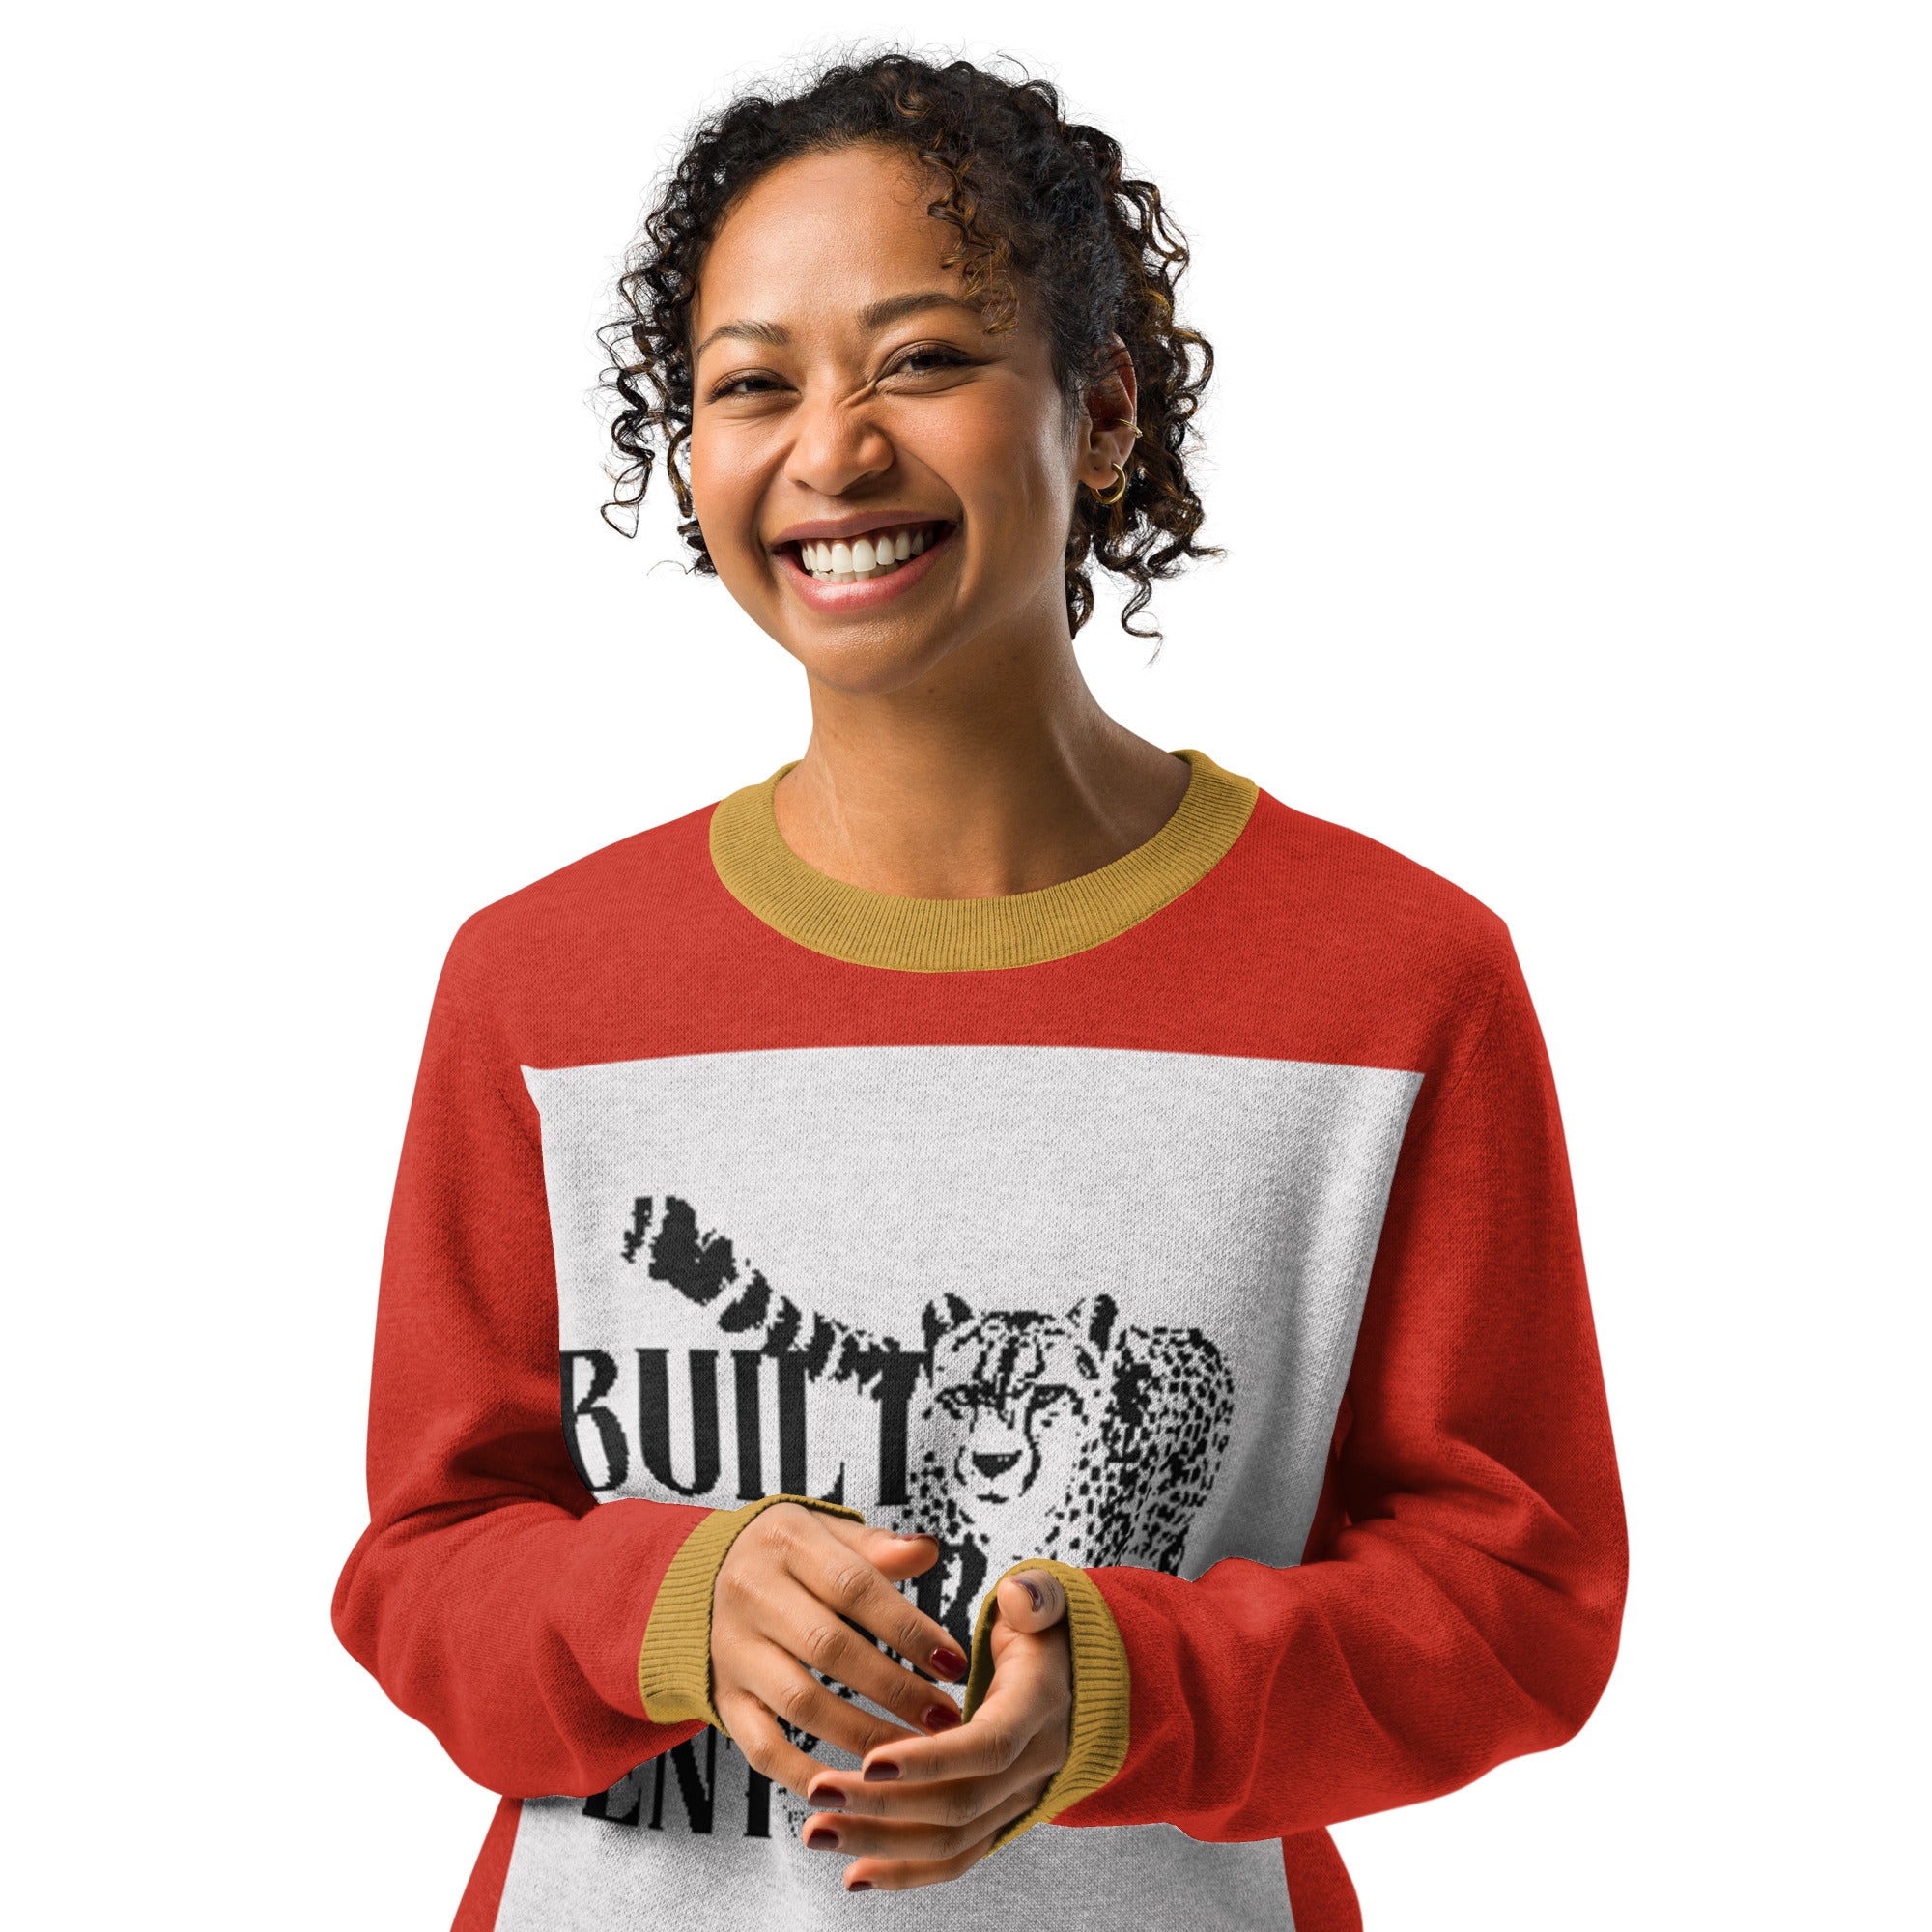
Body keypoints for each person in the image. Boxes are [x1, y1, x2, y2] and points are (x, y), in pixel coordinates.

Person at [332, 51, 1627, 1932]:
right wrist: (674, 1605)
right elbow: (423, 1568)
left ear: (1099, 413)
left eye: (921, 359)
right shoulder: (540, 987)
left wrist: (1122, 1690)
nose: (832, 449)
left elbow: (1515, 1600)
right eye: (751, 384)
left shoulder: (1395, 982)